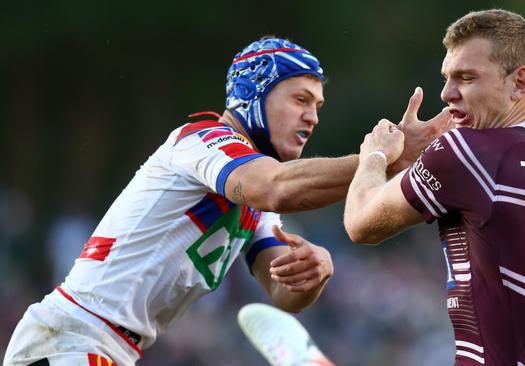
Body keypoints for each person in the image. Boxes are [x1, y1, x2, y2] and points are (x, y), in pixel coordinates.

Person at [3, 37, 445, 366]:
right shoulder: (203, 139)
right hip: (71, 336)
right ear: (253, 93)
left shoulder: (258, 196)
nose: (312, 115)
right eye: (300, 99)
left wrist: (315, 273)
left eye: (318, 104)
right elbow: (276, 186)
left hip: (110, 347)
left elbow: (283, 293)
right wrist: (381, 161)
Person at [343, 9, 525, 365]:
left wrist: (376, 154)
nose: (446, 93)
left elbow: (360, 223)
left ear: (520, 82)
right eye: (446, 78)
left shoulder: (469, 150)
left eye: (466, 78)